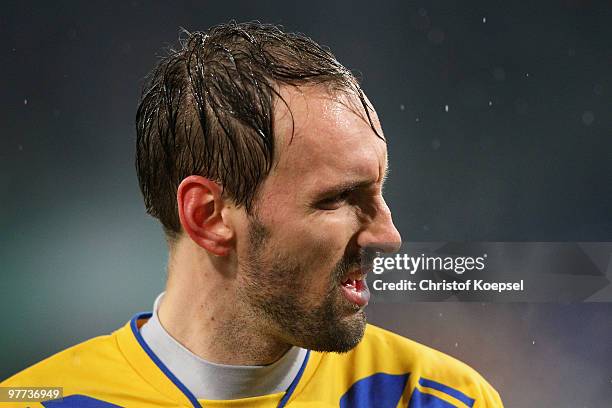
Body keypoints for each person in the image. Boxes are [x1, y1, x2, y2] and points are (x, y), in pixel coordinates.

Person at [1, 22, 503, 407]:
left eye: (379, 191)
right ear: (209, 217)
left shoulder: (437, 397)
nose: (388, 236)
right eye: (339, 199)